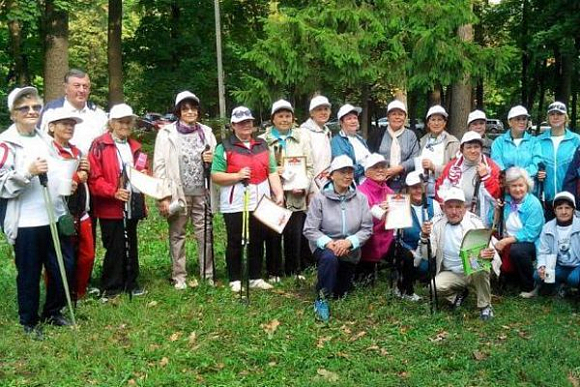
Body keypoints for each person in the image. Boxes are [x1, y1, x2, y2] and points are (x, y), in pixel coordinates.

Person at [0, 87, 74, 338]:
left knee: (64, 266)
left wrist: (67, 183)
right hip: (26, 222)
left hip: (52, 215)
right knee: (30, 273)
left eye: (35, 107)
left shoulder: (45, 139)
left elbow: (53, 173)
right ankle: (29, 321)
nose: (31, 111)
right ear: (13, 114)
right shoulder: (6, 144)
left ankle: (53, 312)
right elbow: (2, 186)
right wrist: (27, 172)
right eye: (24, 108)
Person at [211, 106, 284, 292]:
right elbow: (216, 175)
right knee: (236, 240)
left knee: (257, 239)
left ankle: (255, 276)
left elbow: (272, 172)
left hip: (261, 201)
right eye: (241, 122)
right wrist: (236, 176)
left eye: (249, 122)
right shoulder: (224, 147)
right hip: (235, 203)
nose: (246, 125)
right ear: (233, 125)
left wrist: (279, 193)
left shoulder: (262, 145)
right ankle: (235, 278)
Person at [153, 91, 216, 289]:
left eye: (193, 108)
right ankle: (179, 275)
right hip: (177, 192)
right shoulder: (166, 133)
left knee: (204, 233)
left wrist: (212, 159)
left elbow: (217, 159)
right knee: (177, 234)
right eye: (185, 108)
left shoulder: (206, 131)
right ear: (178, 111)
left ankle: (208, 274)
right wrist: (163, 195)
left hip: (202, 191)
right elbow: (159, 166)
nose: (190, 111)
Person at [88, 103, 147, 300]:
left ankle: (131, 281)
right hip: (110, 206)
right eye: (120, 121)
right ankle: (111, 286)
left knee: (131, 241)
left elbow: (140, 172)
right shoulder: (99, 144)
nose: (125, 125)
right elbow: (94, 179)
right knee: (114, 245)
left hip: (132, 202)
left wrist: (144, 176)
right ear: (111, 123)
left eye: (128, 121)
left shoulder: (134, 146)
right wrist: (113, 192)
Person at [303, 155, 373, 322]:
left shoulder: (361, 199)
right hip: (326, 248)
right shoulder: (319, 199)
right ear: (332, 175)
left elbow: (367, 229)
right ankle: (321, 299)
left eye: (350, 172)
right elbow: (309, 229)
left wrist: (349, 242)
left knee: (341, 292)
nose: (347, 176)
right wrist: (330, 243)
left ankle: (335, 282)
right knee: (329, 259)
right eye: (343, 172)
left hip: (350, 249)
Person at [420, 187, 496, 321]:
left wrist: (488, 254)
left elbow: (488, 248)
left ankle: (485, 306)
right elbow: (427, 255)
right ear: (443, 208)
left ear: (464, 208)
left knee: (481, 267)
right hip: (451, 271)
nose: (454, 211)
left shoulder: (475, 222)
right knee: (433, 287)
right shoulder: (436, 223)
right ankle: (457, 295)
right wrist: (424, 237)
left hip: (472, 270)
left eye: (458, 207)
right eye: (450, 207)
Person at [46, 108, 95, 301]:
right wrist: (76, 176)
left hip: (81, 209)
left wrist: (86, 171)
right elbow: (53, 180)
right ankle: (58, 295)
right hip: (59, 212)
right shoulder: (48, 151)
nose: (69, 127)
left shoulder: (76, 151)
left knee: (87, 254)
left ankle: (79, 291)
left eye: (72, 124)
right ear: (52, 127)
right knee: (59, 257)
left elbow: (84, 179)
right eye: (64, 124)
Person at [261, 99, 313, 280]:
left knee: (294, 233)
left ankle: (294, 269)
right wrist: (274, 173)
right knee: (274, 233)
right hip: (272, 195)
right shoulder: (262, 141)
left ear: (293, 118)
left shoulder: (302, 138)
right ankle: (274, 270)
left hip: (295, 194)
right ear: (273, 119)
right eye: (280, 116)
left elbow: (309, 167)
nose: (284, 119)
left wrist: (303, 186)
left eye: (288, 116)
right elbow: (259, 169)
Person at [490, 167, 544, 297]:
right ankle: (495, 280)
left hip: (528, 242)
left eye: (521, 185)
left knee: (517, 250)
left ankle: (529, 285)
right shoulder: (505, 200)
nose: (518, 189)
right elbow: (492, 222)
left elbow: (531, 233)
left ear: (527, 186)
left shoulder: (533, 204)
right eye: (514, 186)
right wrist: (497, 210)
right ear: (508, 187)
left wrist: (506, 241)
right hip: (507, 238)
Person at [436, 131, 501, 226]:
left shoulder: (491, 167)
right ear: (462, 150)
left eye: (476, 147)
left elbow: (497, 197)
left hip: (482, 221)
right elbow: (440, 192)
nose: (473, 151)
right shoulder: (452, 167)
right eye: (469, 147)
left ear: (481, 149)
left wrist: (486, 177)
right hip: (455, 219)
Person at [39, 69, 108, 154]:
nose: (82, 90)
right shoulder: (51, 111)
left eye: (85, 86)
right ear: (65, 88)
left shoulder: (99, 115)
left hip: (92, 165)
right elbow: (40, 141)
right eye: (77, 86)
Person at [397, 171, 442, 300]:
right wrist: (409, 250)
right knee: (407, 257)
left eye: (420, 187)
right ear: (407, 189)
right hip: (410, 249)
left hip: (429, 247)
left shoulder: (434, 205)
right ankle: (405, 287)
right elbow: (396, 236)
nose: (417, 191)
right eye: (413, 188)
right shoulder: (399, 204)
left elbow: (438, 230)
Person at [536, 101, 580, 220]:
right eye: (552, 114)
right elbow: (533, 163)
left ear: (565, 117)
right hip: (547, 199)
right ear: (548, 118)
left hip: (571, 199)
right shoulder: (538, 141)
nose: (555, 117)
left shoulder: (576, 140)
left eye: (559, 114)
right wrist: (537, 173)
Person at [356, 153, 394, 284]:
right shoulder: (359, 192)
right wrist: (380, 211)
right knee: (365, 282)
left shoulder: (390, 193)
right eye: (375, 167)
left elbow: (397, 220)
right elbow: (361, 220)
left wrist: (396, 211)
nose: (380, 170)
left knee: (405, 253)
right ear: (366, 172)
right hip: (367, 238)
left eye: (383, 166)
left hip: (387, 236)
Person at [533, 192, 580, 297]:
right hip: (559, 265)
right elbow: (542, 251)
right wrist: (542, 266)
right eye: (559, 208)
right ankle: (559, 288)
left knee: (574, 279)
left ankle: (571, 288)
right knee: (537, 275)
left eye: (567, 208)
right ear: (554, 210)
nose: (563, 212)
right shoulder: (548, 227)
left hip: (577, 266)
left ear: (573, 209)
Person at [368, 99, 420, 191]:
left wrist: (399, 168)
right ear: (388, 116)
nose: (397, 117)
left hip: (404, 181)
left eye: (400, 114)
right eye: (394, 114)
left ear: (405, 117)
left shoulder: (411, 135)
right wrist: (383, 171)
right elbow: (369, 156)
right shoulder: (377, 134)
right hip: (380, 180)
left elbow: (415, 158)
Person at [418, 105, 459, 197]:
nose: (436, 123)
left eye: (440, 120)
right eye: (433, 120)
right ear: (428, 123)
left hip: (444, 189)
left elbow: (456, 168)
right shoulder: (422, 141)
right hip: (423, 189)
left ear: (445, 123)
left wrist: (434, 168)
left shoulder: (452, 142)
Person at [491, 105, 538, 179]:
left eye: (524, 119)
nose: (522, 122)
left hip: (529, 187)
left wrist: (521, 176)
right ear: (509, 122)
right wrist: (509, 177)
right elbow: (496, 163)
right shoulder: (499, 142)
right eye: (518, 119)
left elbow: (536, 163)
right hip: (506, 186)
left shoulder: (534, 142)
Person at [300, 95, 332, 199]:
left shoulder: (327, 132)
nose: (323, 112)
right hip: (311, 188)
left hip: (325, 184)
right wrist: (308, 188)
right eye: (319, 109)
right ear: (312, 113)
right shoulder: (304, 132)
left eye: (326, 109)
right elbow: (305, 163)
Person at [330, 104, 370, 183]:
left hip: (368, 184)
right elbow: (344, 169)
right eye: (349, 119)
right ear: (341, 122)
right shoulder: (337, 141)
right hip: (354, 186)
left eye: (355, 118)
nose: (353, 121)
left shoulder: (360, 139)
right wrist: (366, 167)